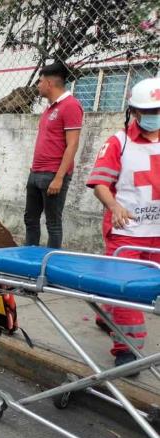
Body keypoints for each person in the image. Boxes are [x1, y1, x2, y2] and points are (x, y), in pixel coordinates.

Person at [87, 77, 160, 372]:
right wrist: (114, 205)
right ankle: (128, 350)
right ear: (135, 112)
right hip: (127, 233)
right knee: (128, 292)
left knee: (147, 292)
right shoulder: (119, 142)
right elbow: (100, 182)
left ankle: (106, 313)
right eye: (148, 112)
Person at [24, 62, 83, 249]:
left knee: (53, 223)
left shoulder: (71, 106)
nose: (38, 86)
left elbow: (72, 144)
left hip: (53, 175)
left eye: (40, 82)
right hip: (36, 173)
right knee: (30, 219)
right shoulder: (49, 108)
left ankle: (50, 264)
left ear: (49, 83)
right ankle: (29, 260)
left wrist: (59, 178)